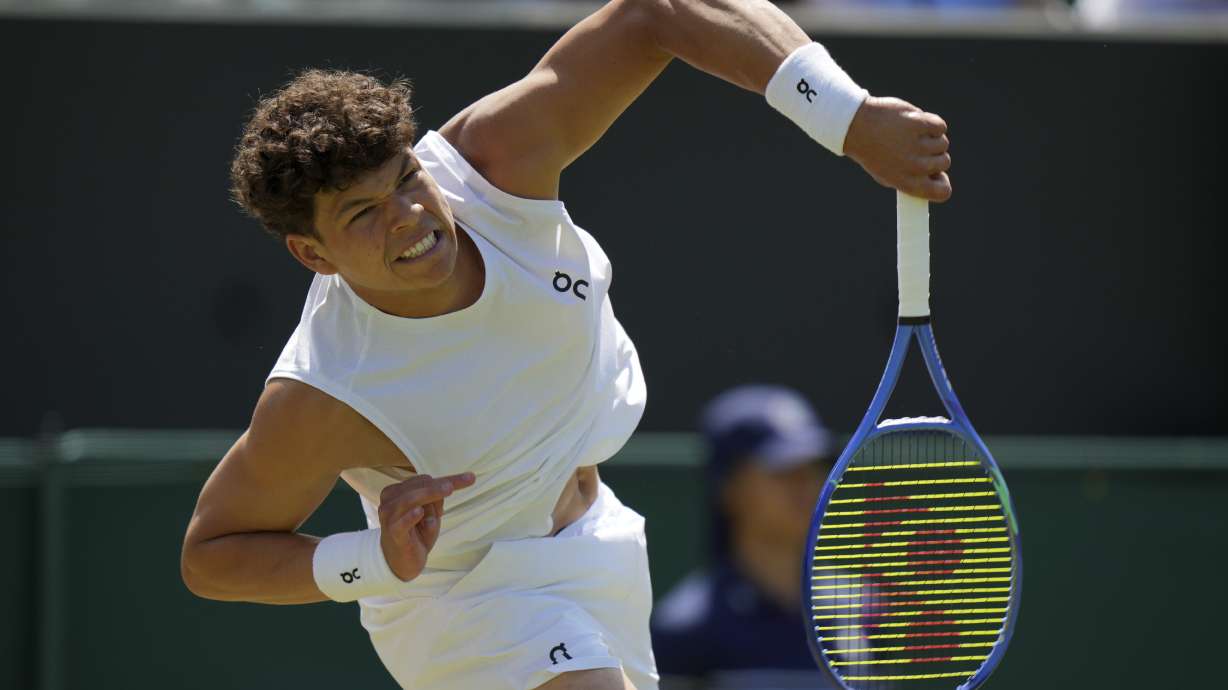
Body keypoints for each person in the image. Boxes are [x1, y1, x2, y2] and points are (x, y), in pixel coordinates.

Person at [179, 1, 952, 688]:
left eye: (406, 178)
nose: (411, 217)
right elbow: (212, 553)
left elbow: (657, 13)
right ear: (312, 254)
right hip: (463, 598)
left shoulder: (494, 164)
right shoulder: (326, 388)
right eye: (362, 214)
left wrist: (847, 117)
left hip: (598, 544)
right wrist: (372, 561)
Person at [651, 386, 834, 689]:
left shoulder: (864, 612)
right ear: (729, 487)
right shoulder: (683, 631)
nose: (805, 487)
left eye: (811, 469)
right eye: (784, 471)